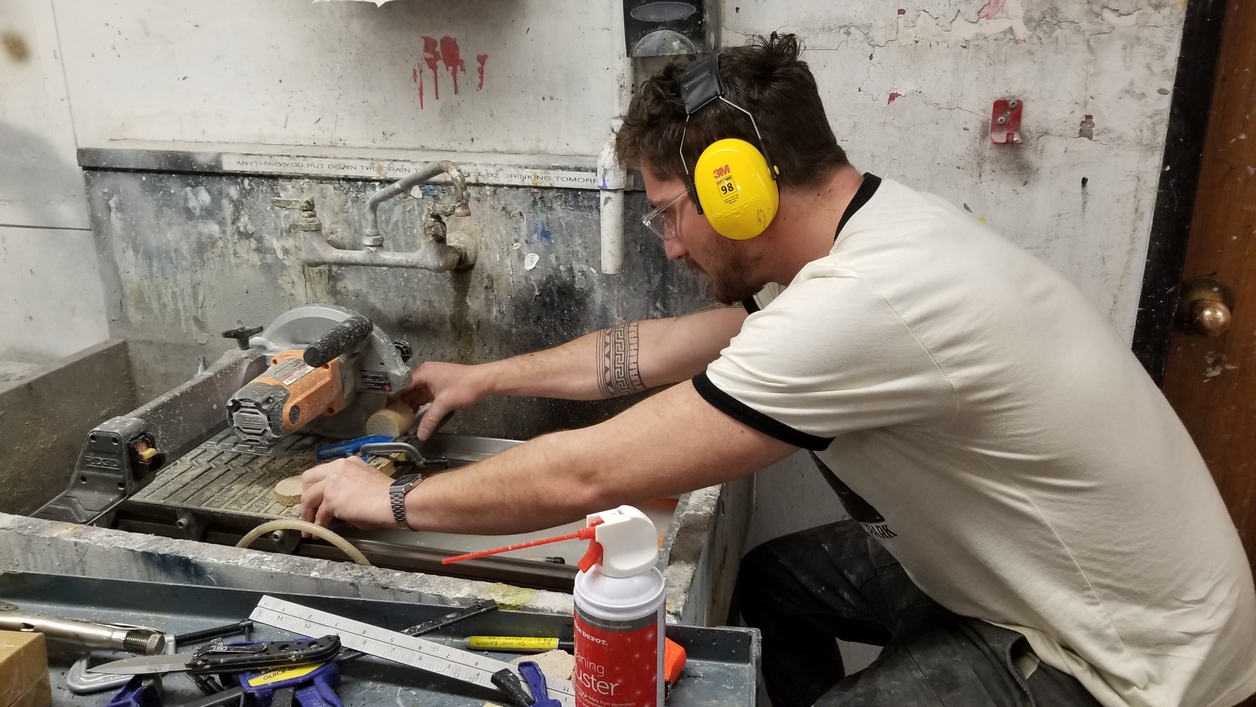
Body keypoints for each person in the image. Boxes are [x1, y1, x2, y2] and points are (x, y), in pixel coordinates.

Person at [300, 33, 1256, 707]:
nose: (668, 245)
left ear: (740, 184)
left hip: (1121, 664)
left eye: (669, 211)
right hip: (1036, 582)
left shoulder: (866, 302)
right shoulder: (874, 233)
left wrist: (390, 501)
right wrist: (486, 376)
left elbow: (594, 471)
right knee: (778, 582)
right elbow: (654, 353)